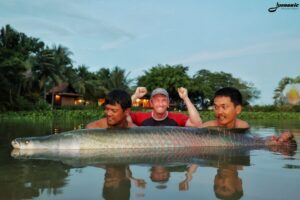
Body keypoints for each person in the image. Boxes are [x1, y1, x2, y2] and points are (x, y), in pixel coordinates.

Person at [130, 87, 202, 127]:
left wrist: (186, 98)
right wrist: (135, 96)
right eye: (157, 100)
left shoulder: (178, 118)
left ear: (168, 103)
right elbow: (123, 116)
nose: (160, 104)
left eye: (164, 100)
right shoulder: (140, 117)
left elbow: (197, 124)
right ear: (151, 103)